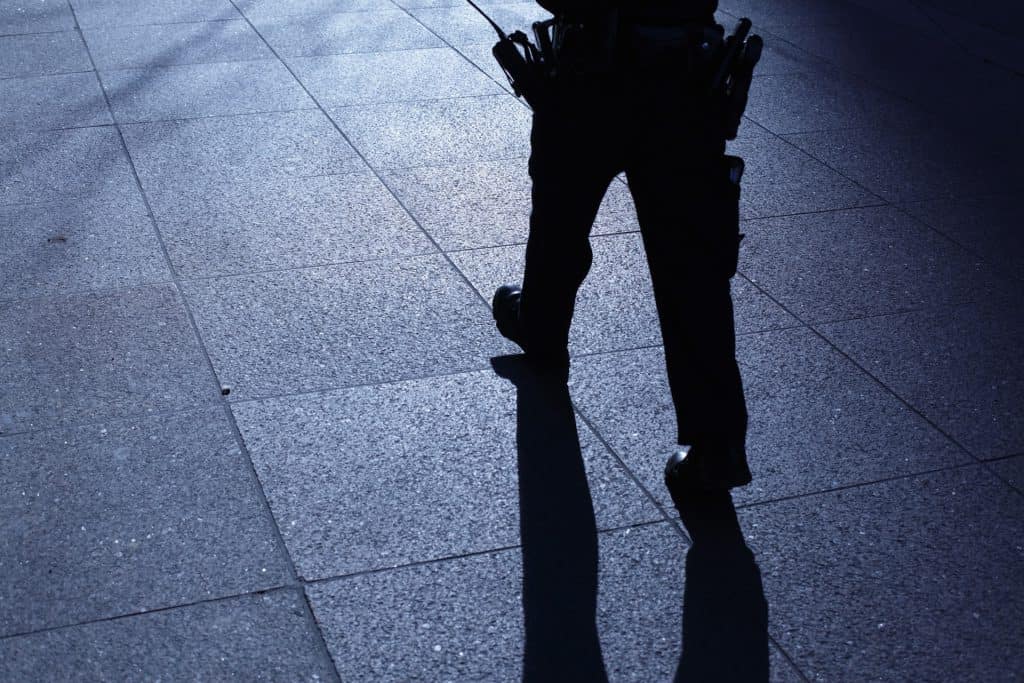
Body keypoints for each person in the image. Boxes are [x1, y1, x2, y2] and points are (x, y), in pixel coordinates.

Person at [491, 0, 754, 493]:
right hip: (686, 71)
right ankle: (715, 445)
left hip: (591, 69)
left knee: (560, 213)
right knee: (692, 264)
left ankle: (542, 328)